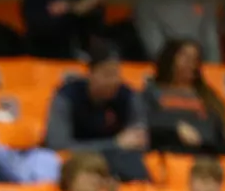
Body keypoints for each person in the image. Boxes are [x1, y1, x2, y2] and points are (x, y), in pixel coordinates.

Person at [43, 47, 150, 183]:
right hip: (76, 164)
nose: (114, 81)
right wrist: (114, 143)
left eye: (117, 74)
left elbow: (138, 139)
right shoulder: (67, 96)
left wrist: (123, 144)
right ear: (91, 74)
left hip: (119, 162)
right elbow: (58, 145)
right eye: (107, 75)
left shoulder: (128, 96)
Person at [143, 40, 225, 156]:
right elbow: (145, 121)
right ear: (169, 59)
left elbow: (218, 126)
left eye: (195, 59)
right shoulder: (152, 91)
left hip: (208, 150)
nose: (191, 63)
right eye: (185, 57)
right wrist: (174, 130)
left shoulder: (207, 95)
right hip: (172, 148)